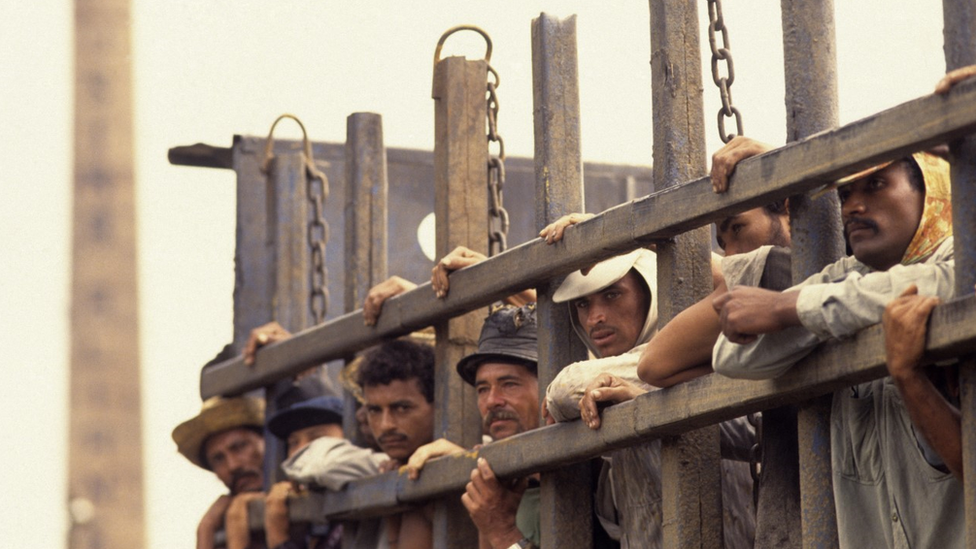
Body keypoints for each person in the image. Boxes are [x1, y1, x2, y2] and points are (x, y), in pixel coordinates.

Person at [709, 140, 961, 547]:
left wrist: (790, 309)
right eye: (845, 194)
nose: (853, 206)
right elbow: (731, 355)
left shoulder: (956, 260)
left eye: (876, 184)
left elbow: (945, 283)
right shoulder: (847, 277)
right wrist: (823, 312)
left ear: (931, 186)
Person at [542, 248, 756, 549]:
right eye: (582, 303)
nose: (595, 318)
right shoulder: (610, 375)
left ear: (651, 289)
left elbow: (567, 387)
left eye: (613, 295)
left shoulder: (706, 348)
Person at [404, 304, 543, 549]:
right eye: (482, 389)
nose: (491, 401)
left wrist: (502, 531)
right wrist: (469, 463)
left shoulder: (588, 474)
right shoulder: (504, 486)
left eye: (509, 384)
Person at [172, 394, 267, 549]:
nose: (233, 465)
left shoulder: (308, 496)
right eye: (218, 459)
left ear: (266, 441)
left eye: (240, 447)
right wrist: (205, 531)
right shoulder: (218, 521)